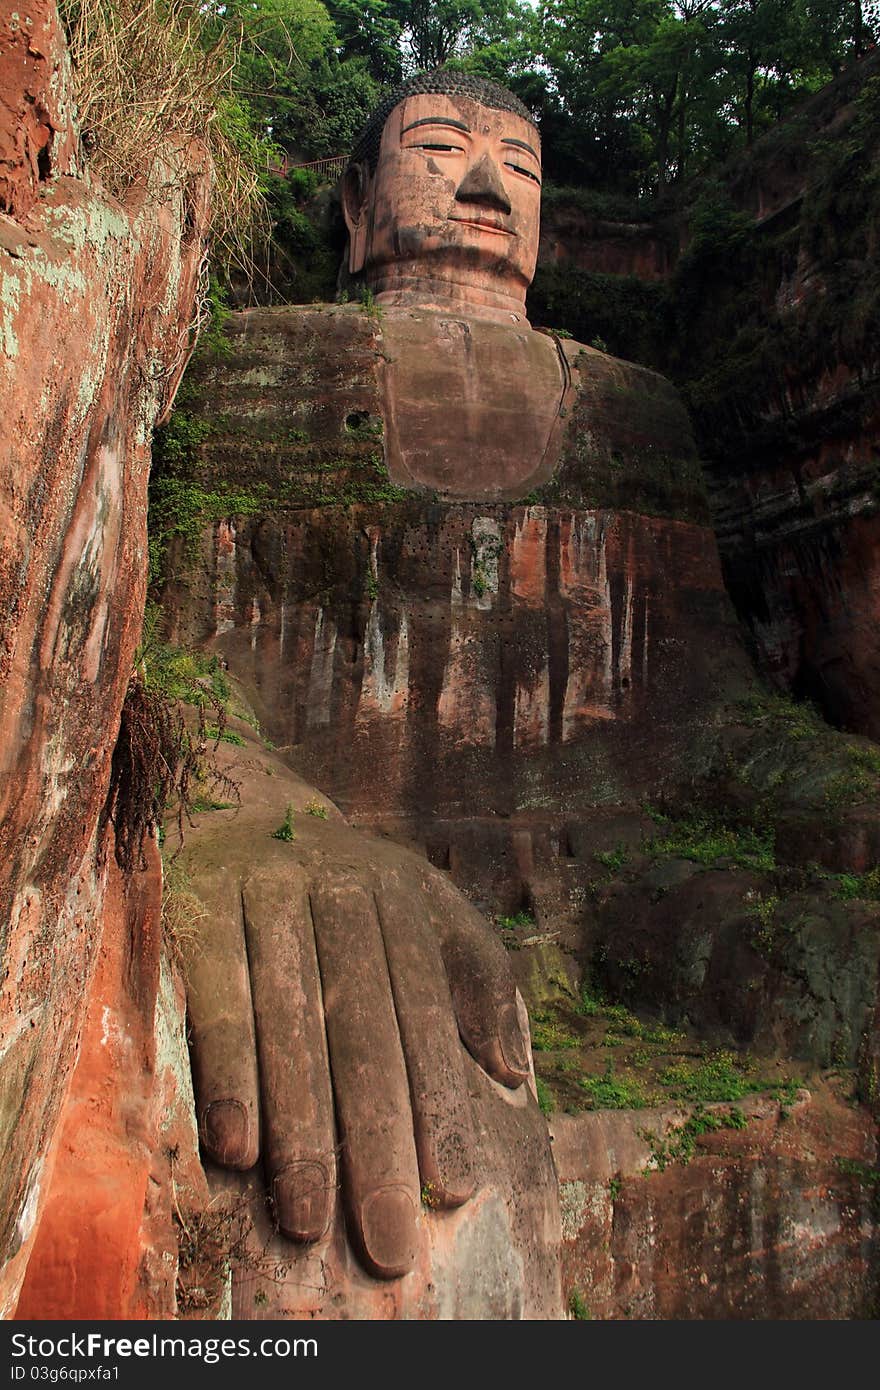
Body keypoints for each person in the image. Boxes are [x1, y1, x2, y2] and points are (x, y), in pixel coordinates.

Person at [171, 69, 727, 1318]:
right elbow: (167, 677)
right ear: (359, 207)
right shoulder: (263, 363)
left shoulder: (637, 408)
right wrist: (251, 816)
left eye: (520, 170)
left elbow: (719, 725)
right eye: (440, 150)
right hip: (342, 867)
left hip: (614, 876)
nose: (484, 186)